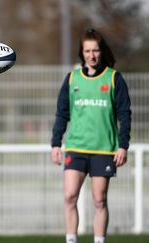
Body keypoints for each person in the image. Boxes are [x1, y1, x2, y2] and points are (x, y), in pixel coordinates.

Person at [51, 28, 131, 243]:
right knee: (69, 197)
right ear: (82, 52)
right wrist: (56, 143)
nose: (91, 55)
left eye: (95, 50)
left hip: (103, 149)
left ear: (101, 51)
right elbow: (62, 113)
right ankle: (71, 240)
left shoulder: (114, 78)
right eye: (87, 51)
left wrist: (123, 145)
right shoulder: (72, 79)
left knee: (99, 201)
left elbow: (124, 114)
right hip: (76, 147)